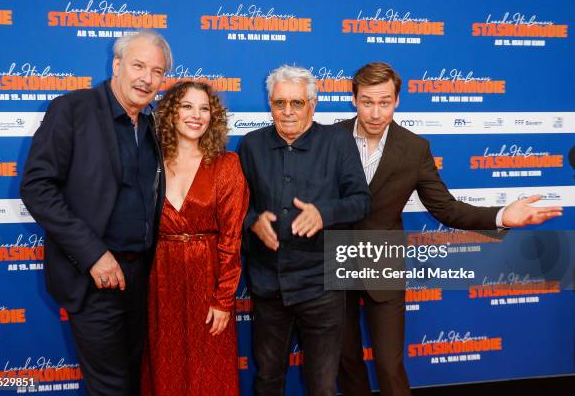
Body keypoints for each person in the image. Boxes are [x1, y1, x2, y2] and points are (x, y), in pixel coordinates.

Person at [337, 62, 564, 396]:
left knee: (388, 364)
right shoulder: (328, 139)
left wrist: (501, 215)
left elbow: (446, 208)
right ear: (353, 99)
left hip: (383, 261)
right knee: (345, 360)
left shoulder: (414, 149)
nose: (375, 112)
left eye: (384, 102)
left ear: (397, 100)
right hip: (333, 259)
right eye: (367, 101)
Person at [20, 30, 172, 396]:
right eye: (138, 66)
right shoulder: (72, 109)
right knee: (110, 387)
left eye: (156, 71)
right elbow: (37, 188)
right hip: (92, 277)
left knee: (135, 379)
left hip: (140, 277)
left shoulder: (151, 123)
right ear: (116, 65)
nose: (146, 78)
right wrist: (94, 255)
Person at [238, 65, 371, 396]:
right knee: (268, 377)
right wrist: (252, 220)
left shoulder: (338, 142)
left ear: (313, 104)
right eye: (278, 102)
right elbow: (236, 206)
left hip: (322, 284)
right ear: (269, 103)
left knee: (322, 385)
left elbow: (361, 201)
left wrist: (324, 213)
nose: (287, 112)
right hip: (269, 285)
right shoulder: (250, 145)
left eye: (296, 103)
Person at [141, 81, 249, 396]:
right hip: (159, 282)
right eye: (187, 106)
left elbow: (231, 240)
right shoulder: (148, 164)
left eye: (204, 108)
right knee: (163, 364)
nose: (196, 115)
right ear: (171, 112)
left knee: (210, 370)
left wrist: (224, 299)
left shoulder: (227, 165)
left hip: (208, 279)